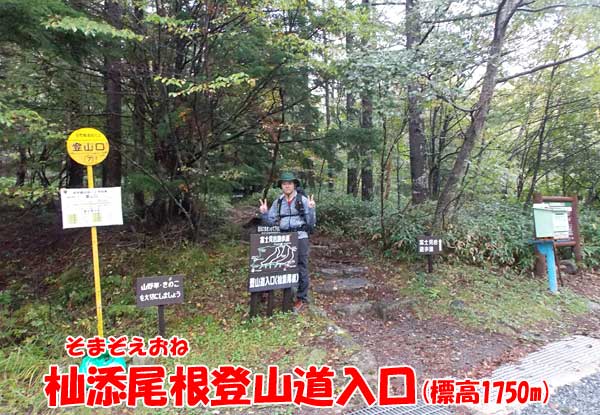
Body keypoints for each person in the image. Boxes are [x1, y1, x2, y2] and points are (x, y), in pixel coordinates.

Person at [259, 172, 316, 312]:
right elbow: (271, 222)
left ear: (294, 185)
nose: (287, 185)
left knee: (301, 266)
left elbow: (312, 223)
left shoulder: (303, 200)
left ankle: (301, 298)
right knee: (281, 264)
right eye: (284, 183)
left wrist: (311, 209)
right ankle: (284, 293)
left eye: (290, 183)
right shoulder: (278, 202)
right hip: (284, 237)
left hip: (300, 236)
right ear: (281, 186)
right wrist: (264, 213)